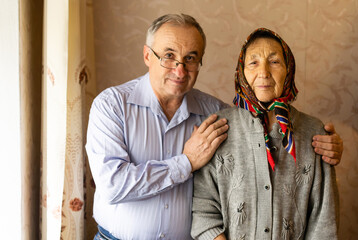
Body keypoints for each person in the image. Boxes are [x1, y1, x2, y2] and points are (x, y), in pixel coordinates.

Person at [86, 14, 342, 240]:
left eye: (190, 58)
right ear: (147, 55)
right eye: (168, 56)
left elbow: (254, 123)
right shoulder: (112, 105)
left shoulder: (217, 116)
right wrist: (186, 162)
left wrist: (331, 146)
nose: (180, 68)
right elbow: (112, 184)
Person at [191, 28, 339, 240]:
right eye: (253, 62)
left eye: (275, 61)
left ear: (289, 69)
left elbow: (324, 221)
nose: (264, 72)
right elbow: (203, 212)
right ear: (241, 71)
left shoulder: (314, 132)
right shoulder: (217, 128)